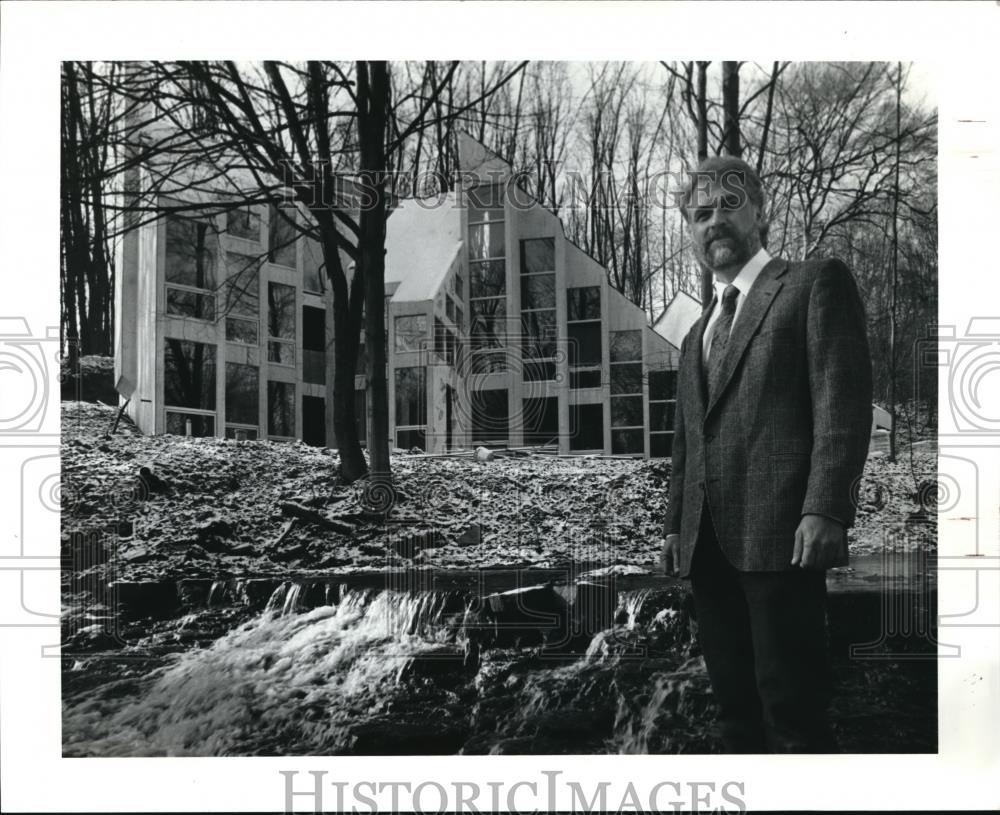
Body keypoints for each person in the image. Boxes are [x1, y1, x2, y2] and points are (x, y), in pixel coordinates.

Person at [661, 155, 872, 753]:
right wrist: (676, 524)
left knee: (793, 718)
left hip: (783, 538)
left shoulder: (812, 283)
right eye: (700, 214)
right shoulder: (697, 331)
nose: (714, 223)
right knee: (735, 721)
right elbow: (685, 442)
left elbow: (844, 405)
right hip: (706, 550)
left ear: (760, 209)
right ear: (691, 232)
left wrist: (827, 508)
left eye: (729, 205)